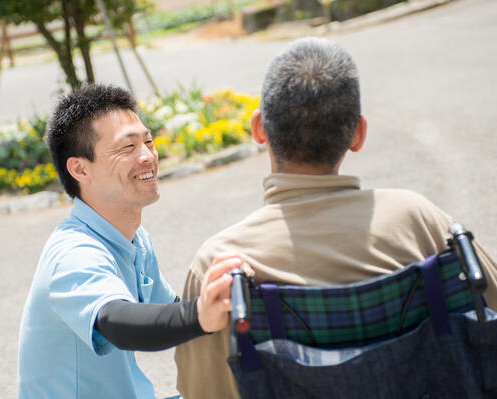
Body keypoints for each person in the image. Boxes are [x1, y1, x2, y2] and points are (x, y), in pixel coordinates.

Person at [174, 37, 497, 399]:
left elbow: (203, 391)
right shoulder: (418, 220)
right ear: (358, 133)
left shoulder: (221, 265)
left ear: (259, 128)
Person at [17, 83, 247, 399]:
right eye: (127, 148)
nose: (147, 156)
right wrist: (199, 316)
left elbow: (168, 314)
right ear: (80, 169)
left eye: (148, 141)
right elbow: (116, 321)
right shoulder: (73, 253)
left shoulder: (134, 239)